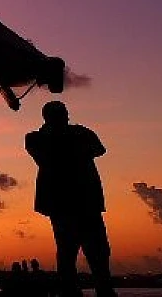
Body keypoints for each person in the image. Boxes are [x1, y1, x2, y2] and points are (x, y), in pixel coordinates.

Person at [25, 101, 115, 297]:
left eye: (64, 113)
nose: (64, 117)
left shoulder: (74, 133)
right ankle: (75, 291)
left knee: (95, 251)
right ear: (48, 118)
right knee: (70, 251)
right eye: (60, 114)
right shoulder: (37, 138)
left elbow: (99, 149)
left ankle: (99, 289)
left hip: (81, 202)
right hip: (65, 203)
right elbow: (47, 156)